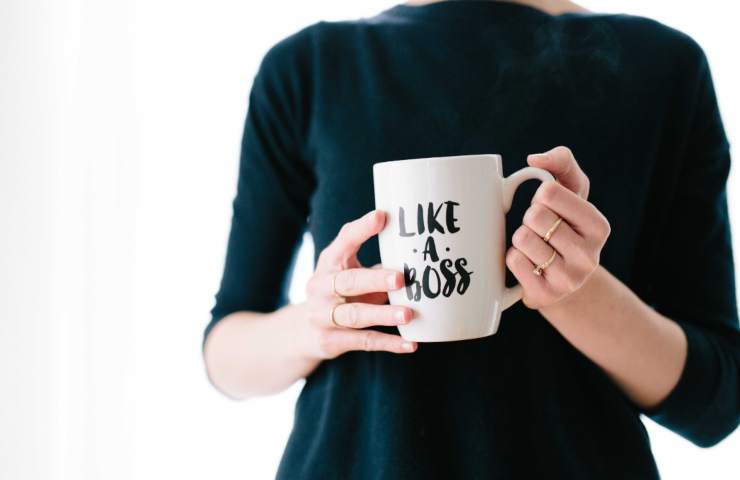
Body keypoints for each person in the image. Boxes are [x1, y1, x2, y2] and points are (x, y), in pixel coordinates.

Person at [202, 0, 740, 478]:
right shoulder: (310, 68)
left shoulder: (662, 67)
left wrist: (574, 293)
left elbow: (715, 403)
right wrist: (316, 325)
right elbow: (225, 353)